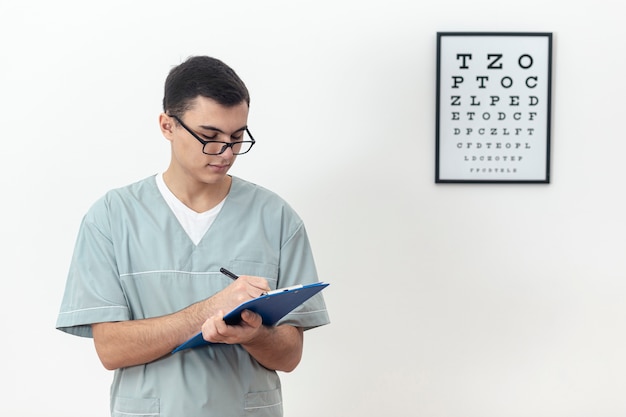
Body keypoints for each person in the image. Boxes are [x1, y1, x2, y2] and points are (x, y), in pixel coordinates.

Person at [56, 55, 330, 417]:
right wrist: (210, 309)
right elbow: (111, 350)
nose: (226, 153)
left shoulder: (276, 218)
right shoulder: (111, 217)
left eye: (237, 137)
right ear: (167, 126)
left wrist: (256, 334)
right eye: (210, 137)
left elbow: (290, 356)